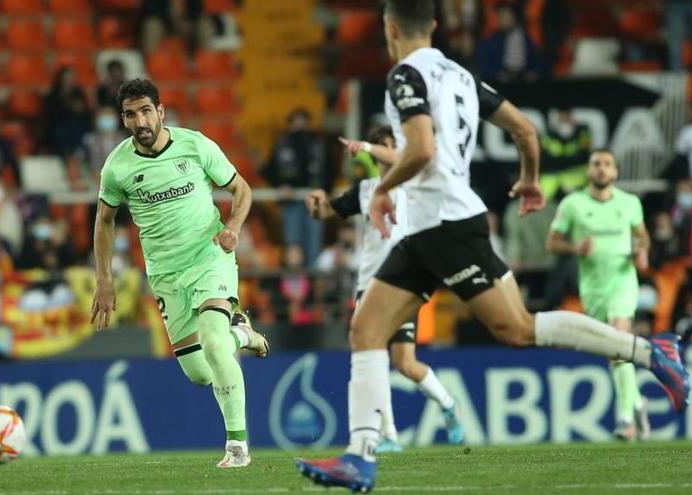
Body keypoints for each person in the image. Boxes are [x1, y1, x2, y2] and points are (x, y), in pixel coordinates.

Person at [295, 2, 689, 491]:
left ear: (390, 28)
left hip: (445, 224)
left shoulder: (403, 77)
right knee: (366, 329)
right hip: (428, 228)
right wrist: (529, 180)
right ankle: (361, 456)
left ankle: (651, 352)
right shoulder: (461, 75)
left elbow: (421, 149)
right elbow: (525, 130)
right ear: (435, 26)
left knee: (518, 329)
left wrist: (378, 192)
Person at [91, 78, 269, 468]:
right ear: (123, 119)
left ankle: (237, 447)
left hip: (210, 259)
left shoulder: (196, 145)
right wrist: (104, 279)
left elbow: (242, 190)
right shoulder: (118, 166)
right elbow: (104, 220)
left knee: (213, 342)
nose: (140, 120)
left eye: (145, 111)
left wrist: (234, 228)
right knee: (200, 373)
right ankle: (242, 333)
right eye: (130, 114)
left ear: (161, 112)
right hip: (166, 275)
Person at [306, 126, 466, 453]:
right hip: (368, 283)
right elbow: (326, 212)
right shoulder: (365, 190)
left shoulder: (413, 182)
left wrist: (366, 145)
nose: (389, 151)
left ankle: (448, 403)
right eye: (384, 145)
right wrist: (317, 204)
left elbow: (401, 158)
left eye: (393, 146)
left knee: (405, 362)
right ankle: (389, 435)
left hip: (403, 281)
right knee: (373, 356)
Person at [546, 149, 652, 441]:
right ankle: (637, 401)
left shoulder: (629, 203)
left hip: (622, 280)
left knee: (620, 337)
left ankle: (625, 419)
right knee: (614, 352)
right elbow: (552, 243)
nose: (602, 169)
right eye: (596, 164)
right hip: (593, 288)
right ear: (589, 171)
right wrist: (575, 248)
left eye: (607, 164)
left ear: (615, 172)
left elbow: (642, 235)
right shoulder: (573, 204)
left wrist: (642, 251)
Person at [262, 108, 330, 265]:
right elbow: (269, 170)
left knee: (313, 242)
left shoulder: (317, 144)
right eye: (295, 123)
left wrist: (324, 189)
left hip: (314, 201)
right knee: (293, 242)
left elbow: (329, 171)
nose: (299, 127)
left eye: (303, 122)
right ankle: (294, 282)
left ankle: (313, 282)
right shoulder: (283, 144)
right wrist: (280, 185)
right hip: (291, 201)